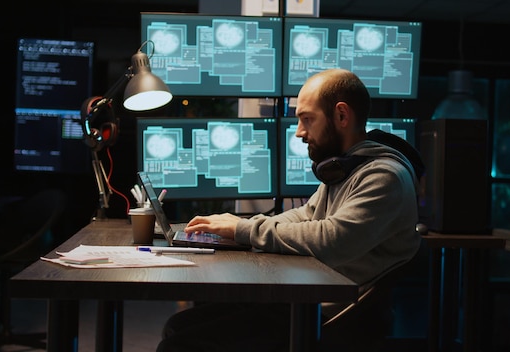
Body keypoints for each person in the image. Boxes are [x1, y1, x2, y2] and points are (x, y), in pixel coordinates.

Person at [157, 68, 421, 352]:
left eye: (307, 119)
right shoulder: (347, 167)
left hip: (328, 315)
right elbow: (306, 215)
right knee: (178, 326)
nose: (299, 133)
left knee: (181, 344)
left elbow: (331, 239)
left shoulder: (383, 176)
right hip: (309, 297)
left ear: (342, 116)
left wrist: (243, 230)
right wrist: (237, 228)